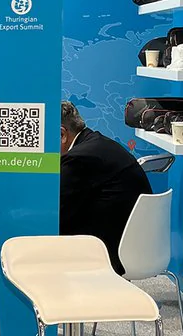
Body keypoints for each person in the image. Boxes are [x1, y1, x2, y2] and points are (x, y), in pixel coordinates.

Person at [59, 101, 153, 274]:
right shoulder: (97, 143)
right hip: (136, 242)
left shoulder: (79, 158)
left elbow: (58, 212)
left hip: (110, 249)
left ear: (62, 134)